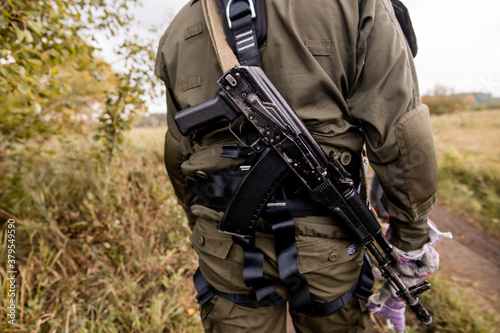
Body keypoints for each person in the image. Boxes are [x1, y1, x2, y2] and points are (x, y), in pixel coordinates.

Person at [155, 0, 440, 332]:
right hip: (328, 240)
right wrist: (410, 239)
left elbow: (178, 152)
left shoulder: (179, 29)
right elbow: (402, 132)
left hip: (223, 240)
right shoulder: (357, 5)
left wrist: (199, 218)